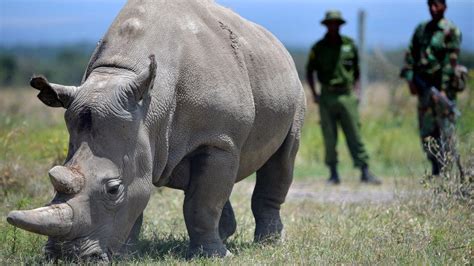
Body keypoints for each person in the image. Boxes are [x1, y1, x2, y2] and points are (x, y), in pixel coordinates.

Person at [306, 10, 381, 185]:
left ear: (340, 25)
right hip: (327, 96)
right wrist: (315, 94)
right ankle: (333, 174)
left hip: (347, 95)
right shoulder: (318, 48)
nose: (333, 26)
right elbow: (310, 72)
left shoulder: (349, 45)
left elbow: (357, 71)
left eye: (336, 23)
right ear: (326, 25)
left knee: (355, 134)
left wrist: (357, 92)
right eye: (330, 23)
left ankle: (365, 171)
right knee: (329, 136)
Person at [400, 0, 464, 176]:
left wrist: (442, 90)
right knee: (426, 131)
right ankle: (435, 166)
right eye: (430, 5)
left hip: (443, 90)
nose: (433, 9)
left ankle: (448, 170)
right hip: (424, 88)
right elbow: (410, 55)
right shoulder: (422, 29)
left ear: (444, 6)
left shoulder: (451, 31)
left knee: (447, 131)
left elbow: (451, 63)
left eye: (436, 5)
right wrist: (410, 80)